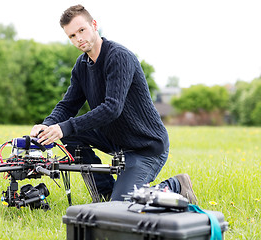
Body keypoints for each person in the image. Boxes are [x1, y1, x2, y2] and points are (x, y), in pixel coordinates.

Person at [30, 4, 197, 203]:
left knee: (123, 205)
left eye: (81, 30)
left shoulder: (118, 57)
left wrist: (64, 127)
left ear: (94, 25)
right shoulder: (81, 65)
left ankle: (176, 185)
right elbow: (68, 105)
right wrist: (47, 126)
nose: (79, 39)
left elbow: (112, 108)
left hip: (145, 145)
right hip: (116, 140)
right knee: (70, 136)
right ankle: (105, 192)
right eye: (72, 36)